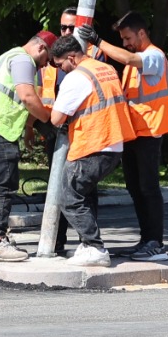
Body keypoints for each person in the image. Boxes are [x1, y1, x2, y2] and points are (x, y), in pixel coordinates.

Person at [0, 29, 57, 262]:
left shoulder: (9, 56)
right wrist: (49, 121)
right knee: (3, 186)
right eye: (47, 60)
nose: (46, 65)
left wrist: (27, 127)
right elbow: (26, 97)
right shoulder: (24, 60)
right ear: (41, 48)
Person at [91, 11, 168, 261]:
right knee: (136, 188)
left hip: (149, 131)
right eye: (123, 39)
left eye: (128, 38)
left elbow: (129, 58)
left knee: (148, 188)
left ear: (142, 33)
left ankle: (156, 243)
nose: (125, 43)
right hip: (134, 133)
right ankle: (146, 239)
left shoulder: (153, 56)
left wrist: (98, 41)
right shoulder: (136, 60)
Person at [43, 34, 130, 266]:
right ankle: (86, 244)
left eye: (61, 64)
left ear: (71, 57)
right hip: (113, 142)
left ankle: (95, 247)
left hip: (92, 142)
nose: (61, 69)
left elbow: (56, 117)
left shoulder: (77, 78)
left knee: (68, 197)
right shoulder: (105, 68)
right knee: (86, 195)